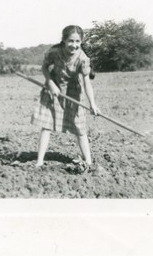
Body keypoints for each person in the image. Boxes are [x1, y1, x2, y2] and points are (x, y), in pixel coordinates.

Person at [31, 25, 101, 171]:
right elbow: (44, 68)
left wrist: (93, 104)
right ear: (63, 40)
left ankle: (89, 163)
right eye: (70, 41)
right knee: (46, 127)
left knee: (80, 129)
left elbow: (87, 84)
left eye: (77, 41)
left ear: (81, 42)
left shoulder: (83, 59)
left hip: (73, 93)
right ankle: (39, 162)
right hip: (53, 90)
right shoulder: (54, 52)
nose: (74, 45)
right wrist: (51, 84)